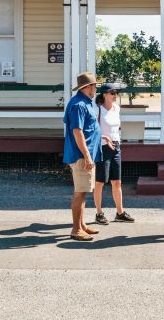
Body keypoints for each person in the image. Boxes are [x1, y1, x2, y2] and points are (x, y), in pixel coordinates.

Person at [63, 71, 102, 241]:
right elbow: (77, 131)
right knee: (80, 192)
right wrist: (87, 156)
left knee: (84, 191)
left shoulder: (85, 102)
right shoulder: (79, 104)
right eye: (94, 86)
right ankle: (75, 229)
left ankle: (82, 225)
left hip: (85, 154)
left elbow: (88, 128)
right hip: (81, 156)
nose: (96, 89)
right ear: (87, 87)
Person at [92, 84, 135, 225]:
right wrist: (104, 137)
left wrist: (117, 142)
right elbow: (92, 130)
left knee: (117, 181)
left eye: (116, 92)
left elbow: (117, 128)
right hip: (103, 147)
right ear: (104, 94)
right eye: (112, 92)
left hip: (116, 146)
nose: (115, 95)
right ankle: (99, 213)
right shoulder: (97, 109)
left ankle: (120, 212)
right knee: (100, 182)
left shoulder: (117, 108)